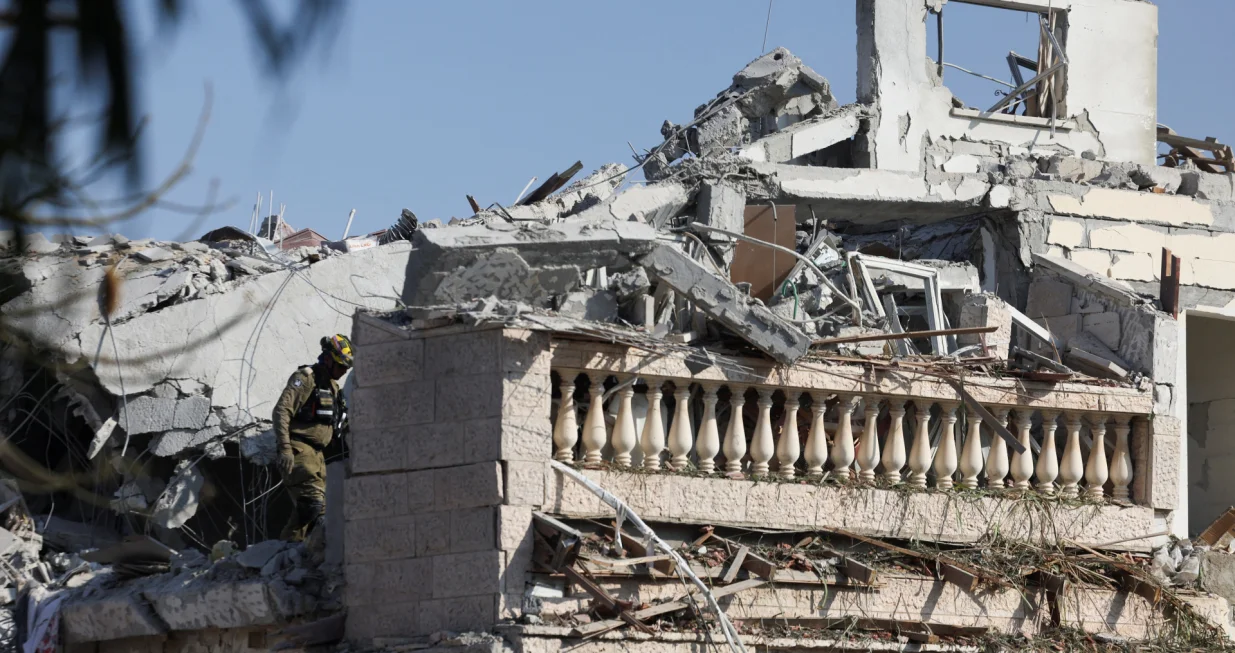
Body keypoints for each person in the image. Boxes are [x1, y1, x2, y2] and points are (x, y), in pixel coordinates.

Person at [272, 334, 353, 542]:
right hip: (299, 449)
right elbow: (282, 411)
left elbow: (339, 423)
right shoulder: (306, 378)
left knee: (320, 515)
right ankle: (284, 546)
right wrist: (285, 449)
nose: (344, 371)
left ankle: (294, 550)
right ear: (328, 359)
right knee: (312, 503)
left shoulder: (333, 388)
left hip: (318, 456)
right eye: (340, 365)